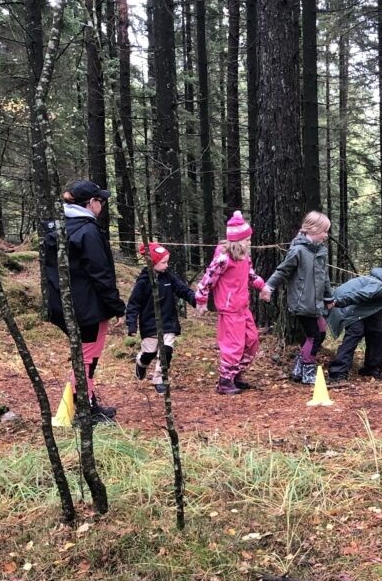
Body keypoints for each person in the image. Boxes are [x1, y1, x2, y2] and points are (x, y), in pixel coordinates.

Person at [42, 179, 126, 423]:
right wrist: (117, 306)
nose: (102, 206)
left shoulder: (58, 227)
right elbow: (101, 274)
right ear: (90, 203)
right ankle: (84, 410)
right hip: (88, 308)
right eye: (100, 201)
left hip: (65, 305)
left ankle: (88, 402)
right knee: (88, 358)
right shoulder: (88, 231)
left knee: (84, 356)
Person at [259, 211, 333, 387]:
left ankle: (299, 368)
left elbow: (324, 277)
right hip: (303, 303)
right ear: (314, 229)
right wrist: (268, 287)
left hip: (316, 303)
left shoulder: (320, 251)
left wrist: (328, 297)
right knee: (315, 336)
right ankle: (308, 371)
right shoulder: (298, 250)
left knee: (321, 333)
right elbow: (283, 271)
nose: (326, 235)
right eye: (324, 231)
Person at [195, 212, 266, 395]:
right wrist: (201, 299)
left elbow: (250, 273)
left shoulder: (245, 257)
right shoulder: (223, 259)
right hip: (229, 309)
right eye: (247, 240)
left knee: (251, 341)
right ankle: (225, 381)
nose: (250, 243)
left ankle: (235, 374)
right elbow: (208, 278)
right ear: (238, 241)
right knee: (233, 346)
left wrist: (261, 285)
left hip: (243, 307)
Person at [327, 267, 382, 385]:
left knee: (378, 330)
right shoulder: (380, 287)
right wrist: (336, 302)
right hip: (346, 303)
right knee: (356, 331)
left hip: (364, 307)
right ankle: (337, 373)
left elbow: (381, 298)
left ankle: (372, 369)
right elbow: (359, 295)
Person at [125, 242, 196, 394]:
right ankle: (141, 363)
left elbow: (183, 289)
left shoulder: (168, 277)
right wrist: (131, 324)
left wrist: (196, 300)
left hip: (168, 322)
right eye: (163, 262)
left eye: (167, 262)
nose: (166, 265)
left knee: (166, 351)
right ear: (152, 263)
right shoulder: (143, 282)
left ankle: (159, 378)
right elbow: (133, 304)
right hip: (149, 324)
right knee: (149, 353)